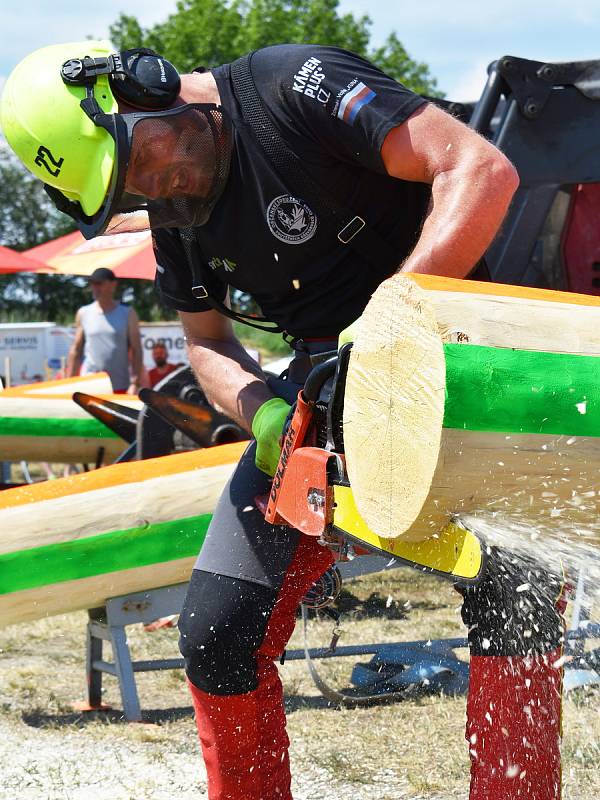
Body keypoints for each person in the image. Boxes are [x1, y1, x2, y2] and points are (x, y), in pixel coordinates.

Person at [1, 41, 568, 800]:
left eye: (141, 164)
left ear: (141, 85)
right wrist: (259, 408)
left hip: (453, 351)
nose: (151, 192)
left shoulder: (297, 86)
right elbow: (206, 346)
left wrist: (388, 320)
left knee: (515, 591)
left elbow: (479, 170)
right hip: (320, 385)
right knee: (216, 633)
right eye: (128, 193)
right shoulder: (177, 210)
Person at [66, 267, 144, 394]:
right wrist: (70, 384)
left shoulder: (128, 313)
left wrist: (135, 383)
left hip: (119, 385)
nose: (95, 288)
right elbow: (76, 350)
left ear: (113, 285)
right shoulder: (83, 313)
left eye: (99, 283)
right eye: (92, 283)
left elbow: (137, 349)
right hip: (89, 385)